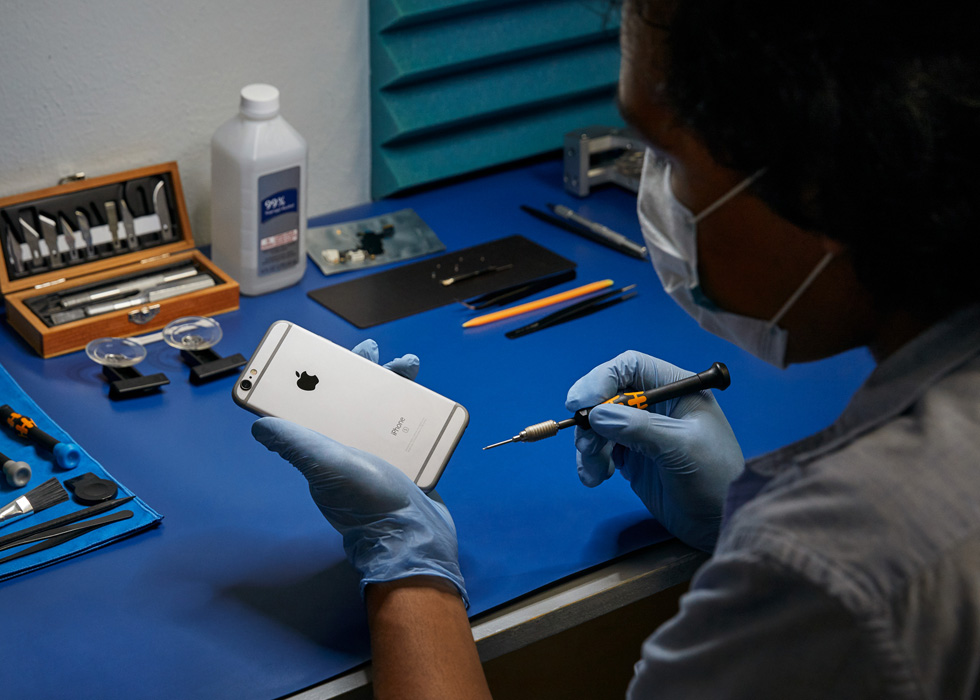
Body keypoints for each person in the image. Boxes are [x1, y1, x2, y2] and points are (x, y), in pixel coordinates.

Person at [252, 0, 980, 696]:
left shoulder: (840, 571)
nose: (649, 191)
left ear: (824, 182)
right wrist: (727, 525)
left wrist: (407, 568)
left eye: (665, 151)